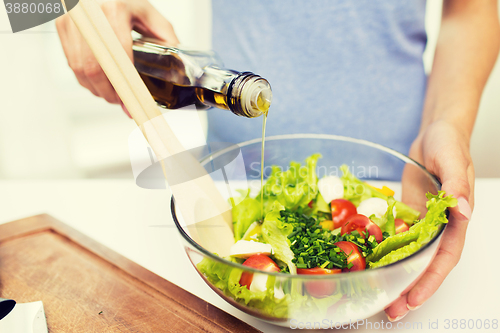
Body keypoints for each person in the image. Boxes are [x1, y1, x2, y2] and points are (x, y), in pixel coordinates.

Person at [55, 0, 500, 321]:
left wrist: (448, 123)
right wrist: (57, 6)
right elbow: (18, 8)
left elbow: (474, 10)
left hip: (402, 174)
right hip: (230, 185)